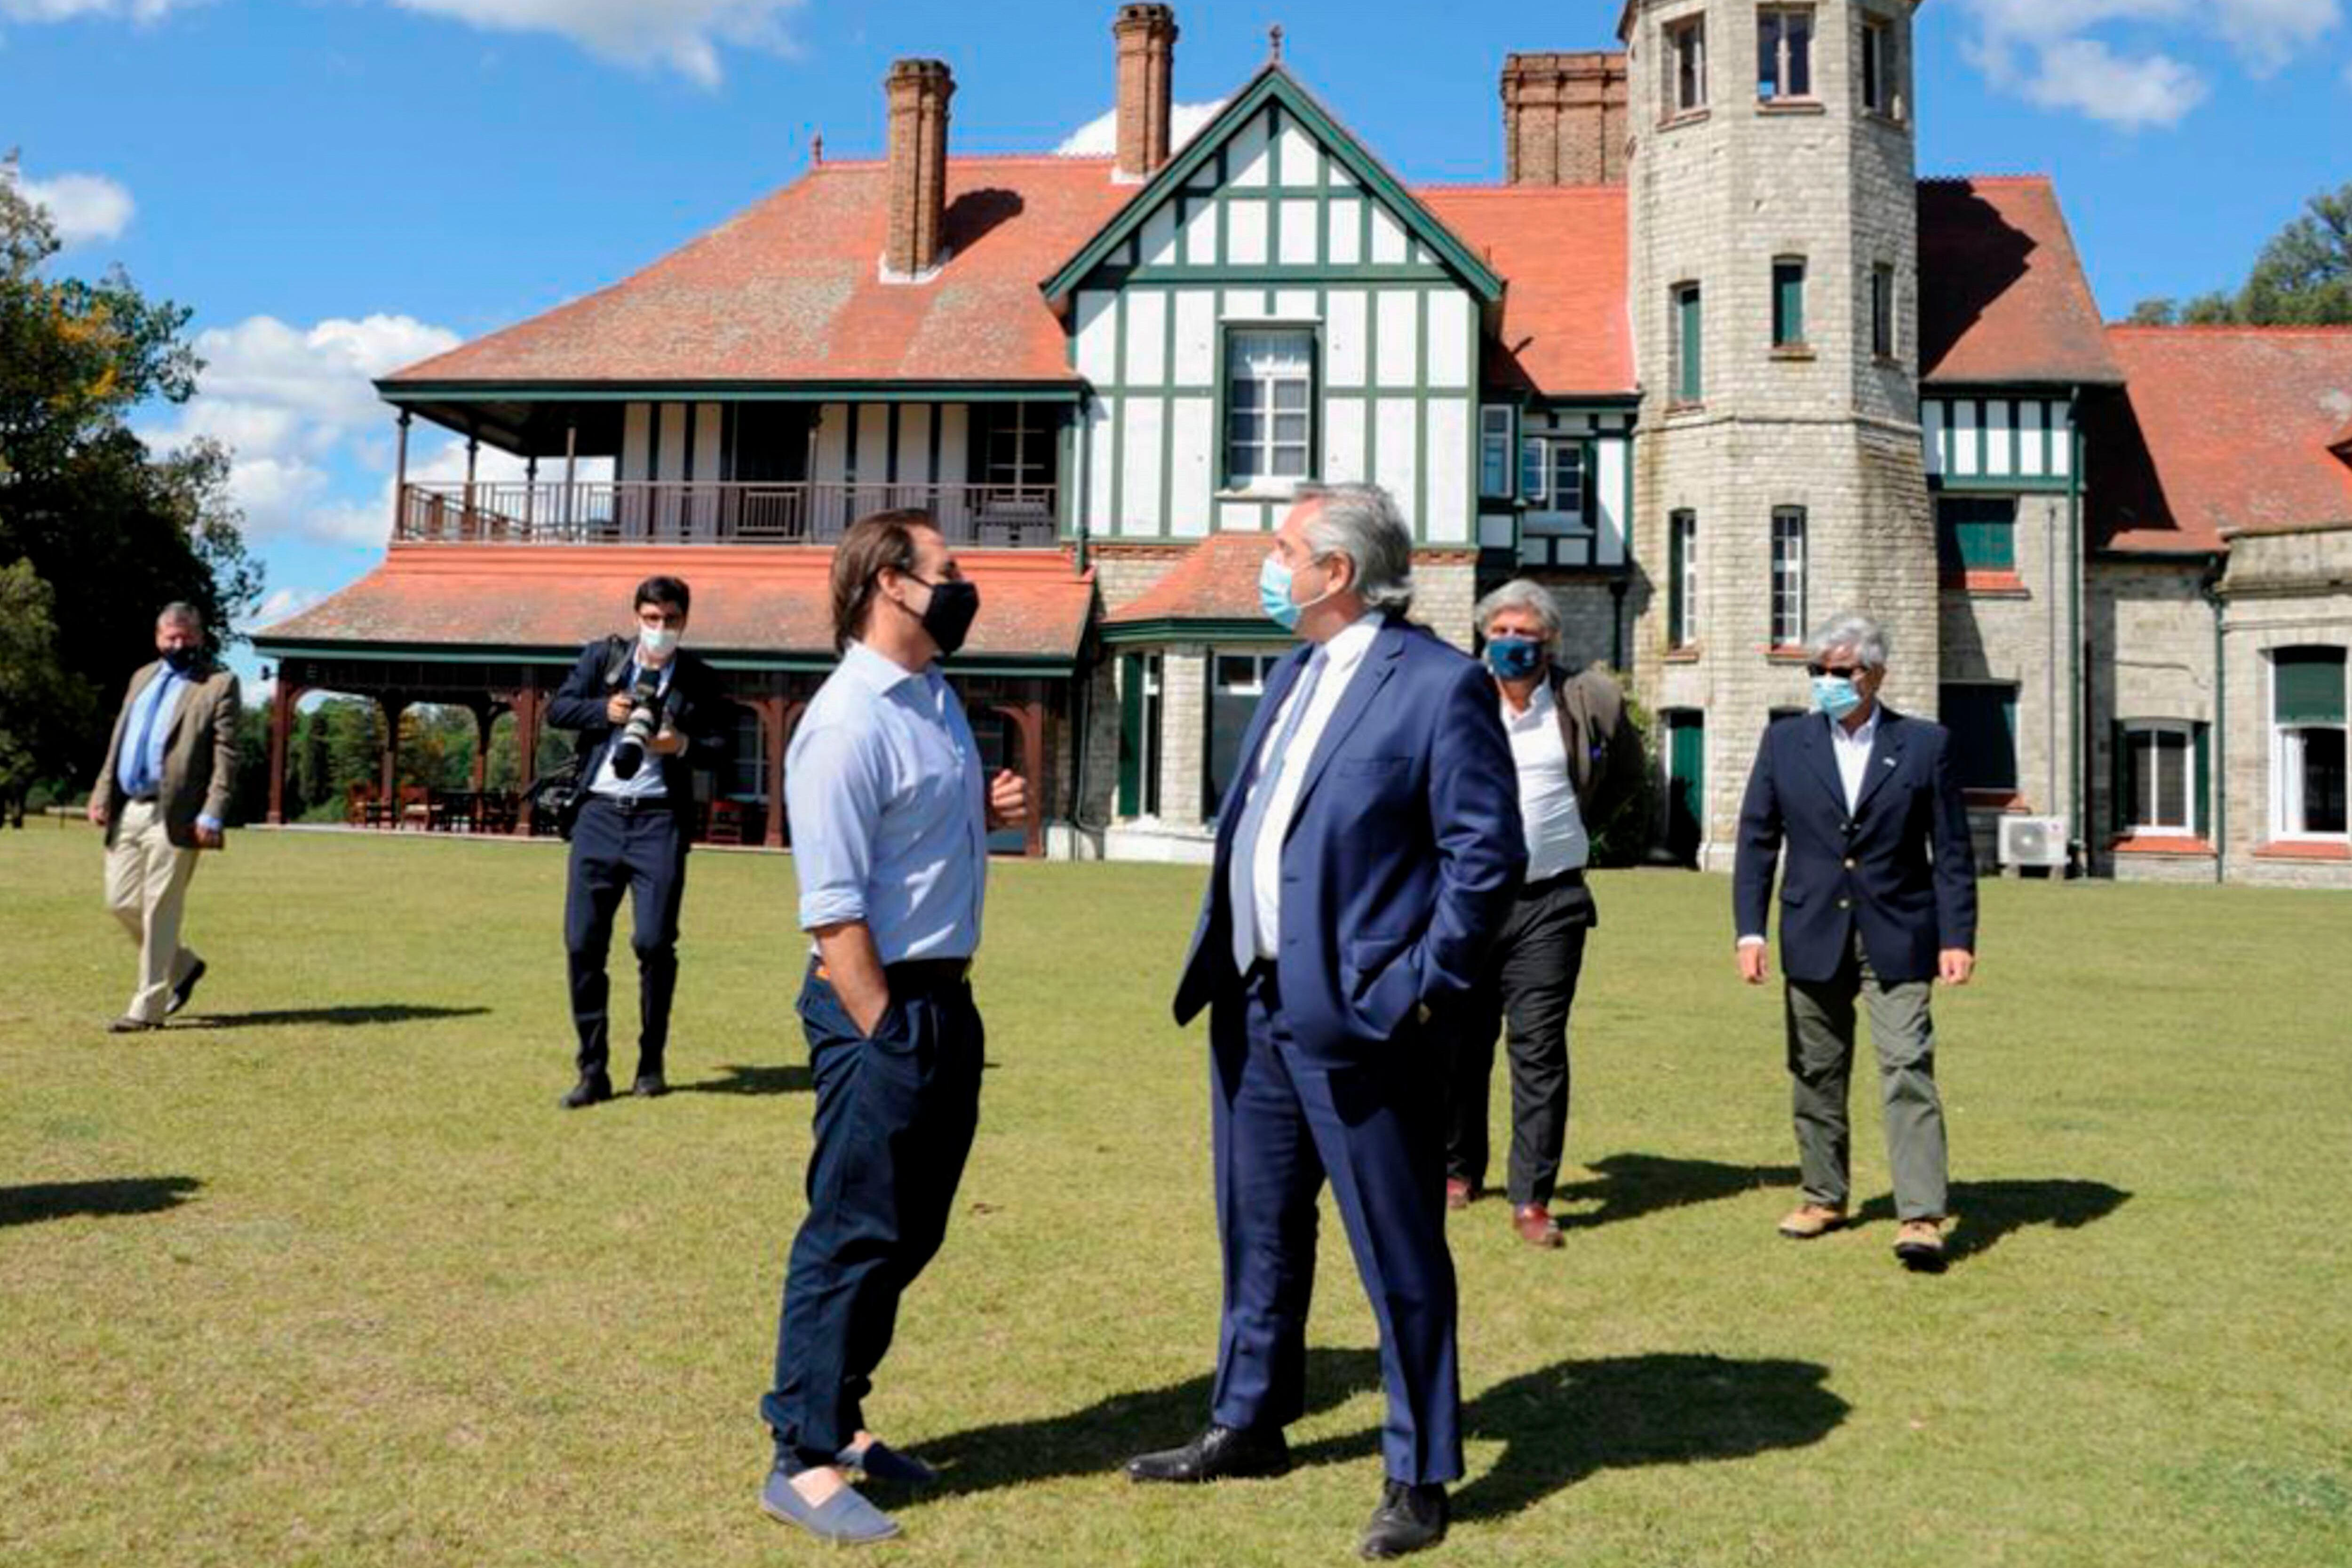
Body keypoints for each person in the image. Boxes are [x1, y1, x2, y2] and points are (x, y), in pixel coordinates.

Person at [1125, 484, 1525, 1560]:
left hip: (1363, 1023)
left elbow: (1486, 861)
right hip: (1252, 1006)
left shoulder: (1439, 688)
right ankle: (1249, 1420)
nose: (1272, 565)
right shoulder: (1296, 672)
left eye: (1286, 549)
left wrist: (1414, 989)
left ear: (1338, 571)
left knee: (1396, 1245)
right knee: (1255, 1224)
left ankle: (1420, 1469)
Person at [757, 510, 1028, 1546]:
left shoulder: (933, 699)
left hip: (943, 996)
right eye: (947, 572)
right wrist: (882, 1032)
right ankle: (800, 1452)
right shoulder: (845, 721)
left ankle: (843, 1417)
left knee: (911, 1227)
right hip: (880, 1003)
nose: (964, 587)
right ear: (890, 585)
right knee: (853, 1224)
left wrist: (983, 810)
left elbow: (908, 844)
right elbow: (832, 909)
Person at [1732, 611, 1979, 1273]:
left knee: (1907, 1067)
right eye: (1818, 671)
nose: (1827, 682)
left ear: (1876, 675)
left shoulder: (1925, 745)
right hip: (1811, 930)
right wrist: (1749, 930)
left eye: (1841, 671)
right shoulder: (1785, 743)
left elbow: (1952, 852)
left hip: (1899, 932)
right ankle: (1823, 1195)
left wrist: (1957, 937)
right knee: (1815, 1070)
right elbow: (1757, 840)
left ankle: (1921, 1215)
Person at [1438, 579, 1641, 1248]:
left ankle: (1532, 1199)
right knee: (1463, 1046)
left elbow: (1622, 776)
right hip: (1469, 902)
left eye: (1526, 635)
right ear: (1483, 638)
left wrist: (1577, 830)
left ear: (1551, 640)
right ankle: (1458, 1169)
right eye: (1500, 633)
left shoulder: (1589, 701)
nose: (1512, 645)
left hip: (1551, 902)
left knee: (1540, 1049)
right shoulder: (1457, 702)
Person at [546, 575, 730, 1108]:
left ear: (684, 622)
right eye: (651, 619)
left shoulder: (699, 679)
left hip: (658, 821)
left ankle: (651, 1064)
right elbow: (559, 708)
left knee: (653, 943)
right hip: (598, 815)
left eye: (670, 621)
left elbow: (721, 747)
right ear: (636, 617)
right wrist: (603, 712)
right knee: (582, 943)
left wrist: (682, 744)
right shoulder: (601, 661)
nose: (660, 629)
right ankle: (593, 1070)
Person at [87, 603, 240, 1033]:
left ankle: (146, 1009)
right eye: (171, 637)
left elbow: (226, 757)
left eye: (187, 636)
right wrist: (101, 793)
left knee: (160, 908)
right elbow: (119, 742)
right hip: (130, 809)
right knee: (120, 902)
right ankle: (184, 965)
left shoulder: (219, 684)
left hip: (179, 815)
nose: (179, 644)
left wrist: (214, 810)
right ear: (158, 638)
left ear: (200, 636)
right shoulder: (142, 677)